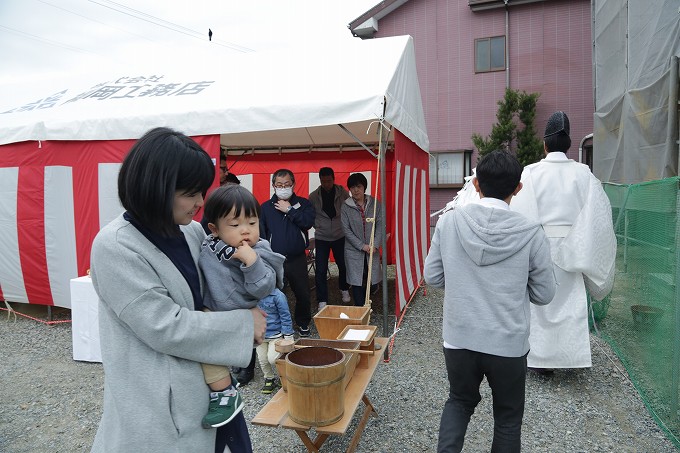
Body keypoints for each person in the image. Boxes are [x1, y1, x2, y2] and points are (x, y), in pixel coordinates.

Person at [89, 127, 266, 453]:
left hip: (212, 388)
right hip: (161, 399)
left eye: (202, 192)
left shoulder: (191, 232)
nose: (201, 202)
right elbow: (165, 325)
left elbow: (219, 283)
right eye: (191, 193)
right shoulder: (115, 246)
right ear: (156, 188)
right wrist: (244, 324)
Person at [424, 150, 556, 452]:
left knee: (458, 402)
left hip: (459, 338)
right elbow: (544, 293)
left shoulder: (449, 222)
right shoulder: (532, 233)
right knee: (508, 419)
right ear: (517, 188)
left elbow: (432, 276)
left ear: (477, 185)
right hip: (508, 344)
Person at [511, 111, 617, 373]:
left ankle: (539, 361)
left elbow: (521, 213)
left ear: (545, 144)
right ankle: (570, 358)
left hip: (539, 244)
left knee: (539, 303)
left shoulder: (531, 172)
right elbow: (598, 216)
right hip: (574, 246)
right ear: (568, 145)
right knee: (570, 303)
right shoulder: (584, 174)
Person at [199, 184, 286, 427]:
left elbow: (265, 286)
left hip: (236, 314)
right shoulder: (209, 244)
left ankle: (225, 393)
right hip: (216, 310)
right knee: (208, 351)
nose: (245, 231)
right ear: (214, 229)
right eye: (235, 225)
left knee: (209, 354)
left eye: (252, 222)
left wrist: (251, 261)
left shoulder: (259, 250)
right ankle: (229, 382)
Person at [259, 168, 316, 337]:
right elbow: (262, 234)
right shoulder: (265, 208)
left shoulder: (303, 203)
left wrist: (290, 210)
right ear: (273, 186)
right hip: (274, 259)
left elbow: (308, 222)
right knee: (275, 294)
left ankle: (303, 323)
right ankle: (276, 326)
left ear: (293, 184)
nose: (283, 187)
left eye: (287, 184)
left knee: (303, 293)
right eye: (279, 184)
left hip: (297, 258)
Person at [308, 167, 351, 310]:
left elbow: (350, 210)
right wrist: (318, 226)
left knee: (343, 265)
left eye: (329, 181)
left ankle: (344, 288)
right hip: (322, 237)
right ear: (320, 180)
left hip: (340, 235)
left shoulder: (342, 192)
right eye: (323, 181)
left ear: (334, 179)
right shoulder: (313, 196)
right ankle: (322, 299)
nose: (326, 183)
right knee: (320, 269)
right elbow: (311, 215)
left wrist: (345, 227)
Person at [341, 173, 383, 306]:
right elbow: (346, 230)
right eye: (352, 187)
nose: (356, 190)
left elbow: (381, 225)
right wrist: (362, 246)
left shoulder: (375, 204)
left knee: (371, 279)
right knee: (356, 280)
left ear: (364, 187)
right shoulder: (345, 206)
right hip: (353, 249)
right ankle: (359, 308)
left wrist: (375, 244)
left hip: (372, 248)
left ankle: (368, 303)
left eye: (359, 186)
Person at [255, 288, 295, 394]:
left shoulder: (278, 296)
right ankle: (269, 378)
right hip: (260, 335)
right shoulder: (252, 294)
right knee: (262, 359)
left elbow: (285, 316)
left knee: (273, 359)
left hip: (276, 335)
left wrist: (288, 335)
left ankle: (284, 376)